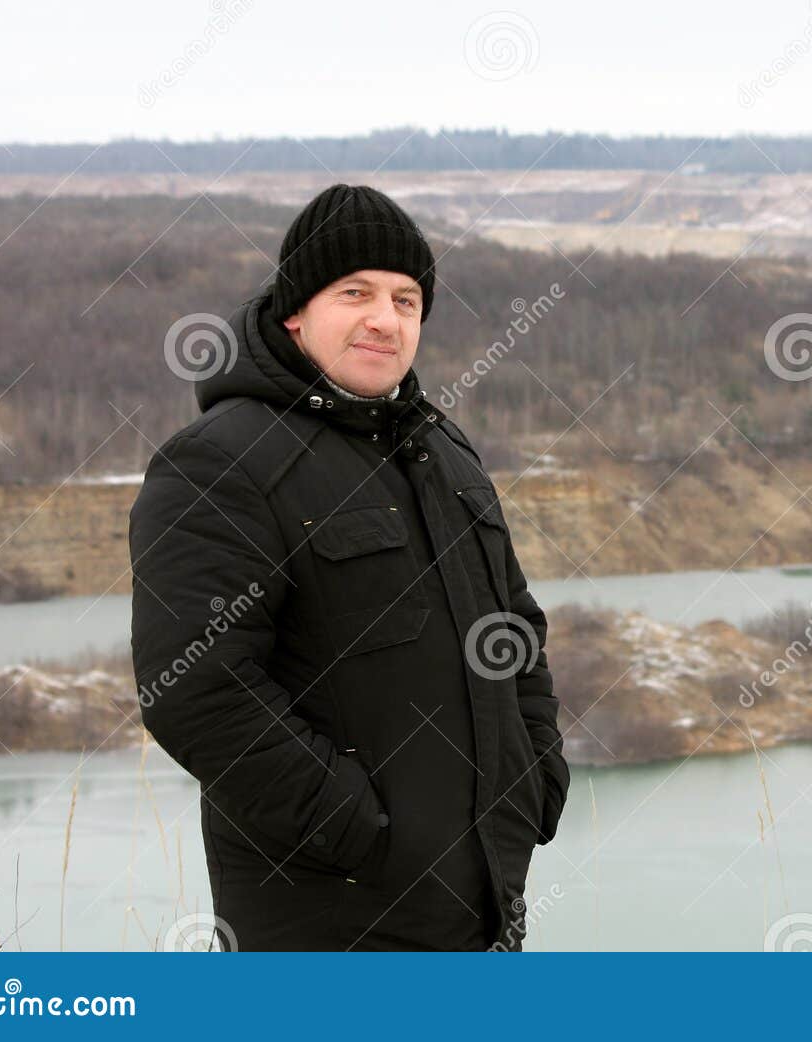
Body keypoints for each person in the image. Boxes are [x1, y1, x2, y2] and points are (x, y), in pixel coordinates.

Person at [128, 183, 567, 951]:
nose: (383, 319)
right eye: (354, 292)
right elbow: (197, 690)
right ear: (296, 310)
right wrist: (356, 831)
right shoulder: (222, 461)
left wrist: (535, 780)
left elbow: (514, 629)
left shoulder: (444, 452)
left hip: (484, 919)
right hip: (330, 931)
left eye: (405, 300)